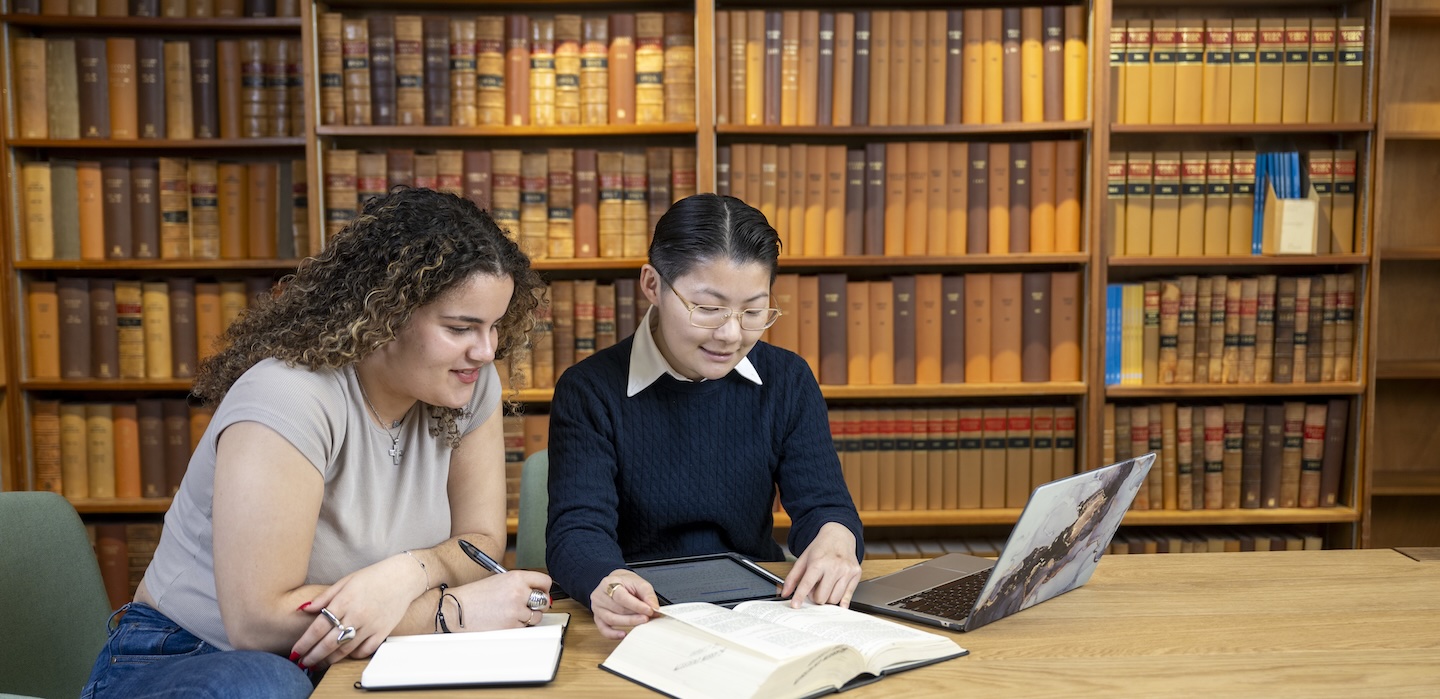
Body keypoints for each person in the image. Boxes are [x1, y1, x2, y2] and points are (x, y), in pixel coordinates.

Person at [82, 188, 553, 698]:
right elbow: (258, 623)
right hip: (198, 657)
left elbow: (481, 541)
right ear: (387, 313)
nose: (485, 351)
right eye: (462, 327)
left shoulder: (468, 382)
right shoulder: (288, 394)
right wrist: (450, 611)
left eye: (494, 327)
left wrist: (410, 572)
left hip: (355, 656)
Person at [545, 193, 864, 639]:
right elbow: (577, 530)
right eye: (708, 309)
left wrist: (836, 537)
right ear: (652, 285)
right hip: (642, 613)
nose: (731, 334)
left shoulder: (787, 379)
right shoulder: (590, 389)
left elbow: (823, 503)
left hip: (757, 610)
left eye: (753, 311)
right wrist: (608, 581)